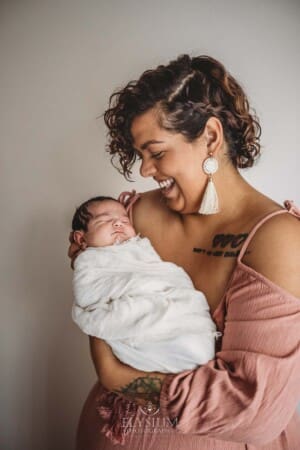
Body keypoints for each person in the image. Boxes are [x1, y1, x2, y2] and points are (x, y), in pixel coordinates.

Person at [68, 54, 300, 449]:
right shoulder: (133, 213)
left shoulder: (279, 240)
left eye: (155, 153)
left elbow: (252, 411)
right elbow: (97, 300)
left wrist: (116, 377)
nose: (144, 171)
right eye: (140, 154)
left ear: (210, 137)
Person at [71, 195, 220, 374]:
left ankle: (189, 341)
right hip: (136, 314)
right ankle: (179, 348)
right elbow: (89, 295)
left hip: (170, 302)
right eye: (104, 221)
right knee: (179, 342)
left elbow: (162, 274)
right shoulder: (90, 261)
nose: (118, 224)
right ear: (81, 239)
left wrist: (156, 289)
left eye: (124, 220)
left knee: (191, 332)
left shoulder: (139, 247)